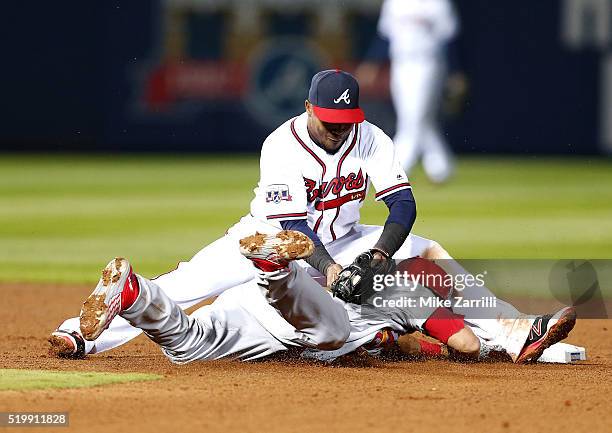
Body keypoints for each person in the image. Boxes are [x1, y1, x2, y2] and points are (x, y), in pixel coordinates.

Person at [47, 70, 533, 362]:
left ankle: (514, 333)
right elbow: (296, 228)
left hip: (345, 236)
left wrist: (381, 253)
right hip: (269, 239)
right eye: (330, 122)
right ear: (307, 108)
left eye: (348, 123)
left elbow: (402, 204)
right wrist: (331, 271)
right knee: (188, 284)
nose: (340, 133)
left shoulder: (372, 138)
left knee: (426, 251)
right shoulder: (281, 144)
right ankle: (80, 332)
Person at [54, 231, 576, 365]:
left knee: (188, 342)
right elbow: (460, 342)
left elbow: (401, 344)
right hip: (307, 321)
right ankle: (277, 270)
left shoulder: (389, 282)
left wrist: (405, 337)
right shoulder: (408, 288)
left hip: (254, 309)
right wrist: (471, 340)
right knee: (329, 330)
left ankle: (137, 292)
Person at [357, 0, 463, 183]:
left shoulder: (437, 3)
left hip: (427, 62)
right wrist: (371, 62)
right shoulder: (395, 3)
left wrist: (454, 71)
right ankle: (440, 167)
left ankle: (395, 168)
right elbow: (385, 36)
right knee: (420, 119)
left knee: (413, 118)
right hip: (400, 63)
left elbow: (449, 38)